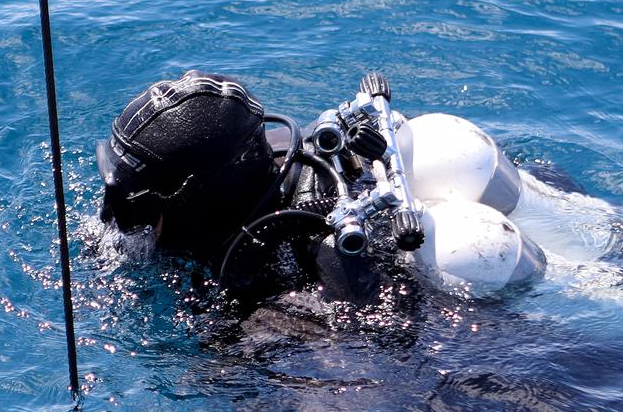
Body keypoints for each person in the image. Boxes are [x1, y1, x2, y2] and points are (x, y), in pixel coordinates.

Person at [96, 69, 401, 305]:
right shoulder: (262, 157)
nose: (109, 218)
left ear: (195, 206)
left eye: (130, 208)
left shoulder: (281, 294)